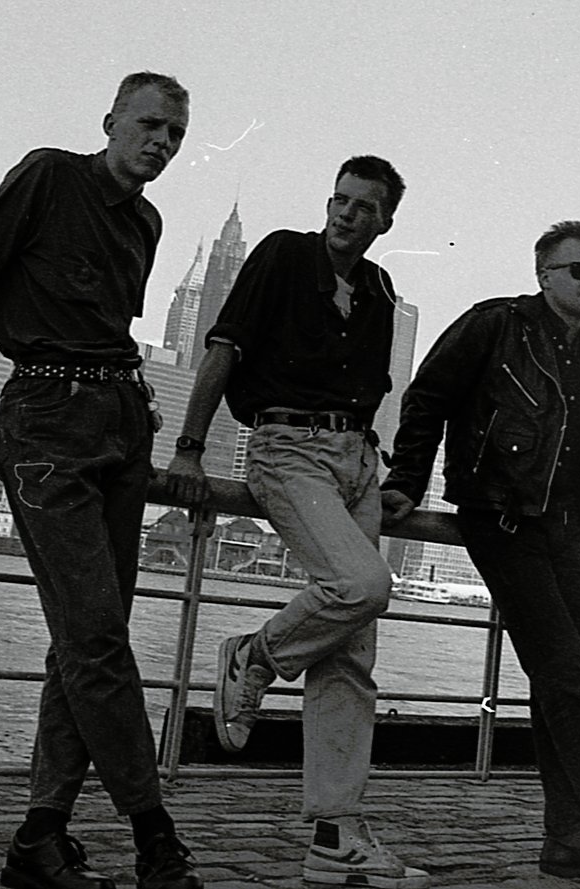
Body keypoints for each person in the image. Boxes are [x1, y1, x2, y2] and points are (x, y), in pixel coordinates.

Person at [0, 73, 201, 889]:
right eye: (150, 124)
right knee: (96, 637)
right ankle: (155, 836)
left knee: (86, 639)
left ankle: (41, 835)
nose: (162, 143)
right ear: (111, 121)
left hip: (122, 424)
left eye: (175, 133)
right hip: (46, 421)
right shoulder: (48, 174)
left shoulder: (147, 221)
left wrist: (138, 407)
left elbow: (108, 327)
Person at [382, 221, 580, 887]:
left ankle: (567, 839)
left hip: (565, 533)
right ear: (544, 274)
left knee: (565, 680)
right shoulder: (495, 324)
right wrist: (407, 482)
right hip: (502, 518)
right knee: (563, 676)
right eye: (579, 270)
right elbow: (428, 397)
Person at [163, 156, 429, 889]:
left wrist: (392, 479)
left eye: (364, 206)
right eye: (339, 199)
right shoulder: (282, 253)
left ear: (386, 220)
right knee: (363, 585)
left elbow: (375, 392)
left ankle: (335, 835)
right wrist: (189, 447)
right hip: (288, 448)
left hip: (358, 461)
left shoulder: (379, 289)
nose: (346, 214)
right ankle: (254, 655)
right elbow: (225, 348)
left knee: (350, 654)